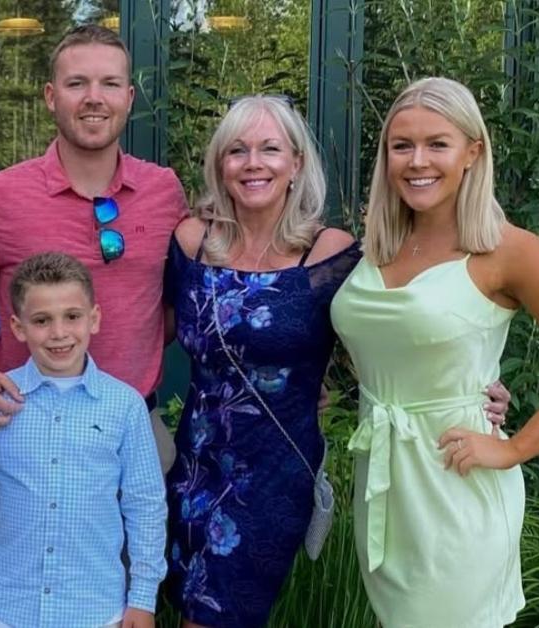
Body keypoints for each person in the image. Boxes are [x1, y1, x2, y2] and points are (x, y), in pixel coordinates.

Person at [331, 77, 539, 627]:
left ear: (473, 151)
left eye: (437, 144)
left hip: (456, 486)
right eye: (402, 146)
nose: (417, 161)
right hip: (388, 490)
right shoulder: (380, 244)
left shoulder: (506, 250)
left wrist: (514, 449)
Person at [0, 24, 187, 474]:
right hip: (26, 433)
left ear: (129, 97)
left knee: (143, 547)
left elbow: (178, 305)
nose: (94, 97)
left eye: (109, 83)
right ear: (51, 96)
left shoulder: (164, 191)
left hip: (135, 429)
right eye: (77, 84)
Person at [162, 96, 359, 627]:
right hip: (193, 465)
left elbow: (390, 332)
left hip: (272, 475)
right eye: (238, 150)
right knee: (186, 604)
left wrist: (478, 384)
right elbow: (147, 326)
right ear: (220, 166)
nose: (253, 163)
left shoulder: (328, 253)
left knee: (213, 616)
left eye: (270, 149)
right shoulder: (191, 241)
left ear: (296, 163)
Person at [0, 252, 166, 628]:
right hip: (12, 611)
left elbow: (146, 506)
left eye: (72, 316)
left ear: (94, 319)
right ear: (18, 326)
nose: (58, 333)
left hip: (95, 610)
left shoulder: (125, 405)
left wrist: (143, 598)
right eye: (42, 320)